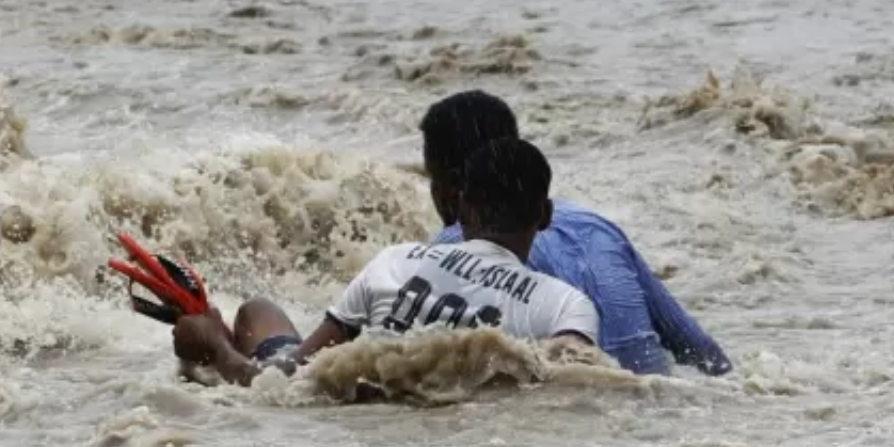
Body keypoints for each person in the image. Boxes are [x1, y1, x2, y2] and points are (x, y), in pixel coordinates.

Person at [174, 137, 599, 387]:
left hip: (358, 423)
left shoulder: (396, 262)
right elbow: (576, 392)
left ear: (461, 208)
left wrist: (216, 345)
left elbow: (282, 382)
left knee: (258, 311)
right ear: (544, 216)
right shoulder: (565, 306)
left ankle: (212, 327)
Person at [421, 91, 734, 377]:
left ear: (451, 188)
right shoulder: (597, 229)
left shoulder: (453, 251)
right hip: (657, 417)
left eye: (431, 179)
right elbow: (705, 355)